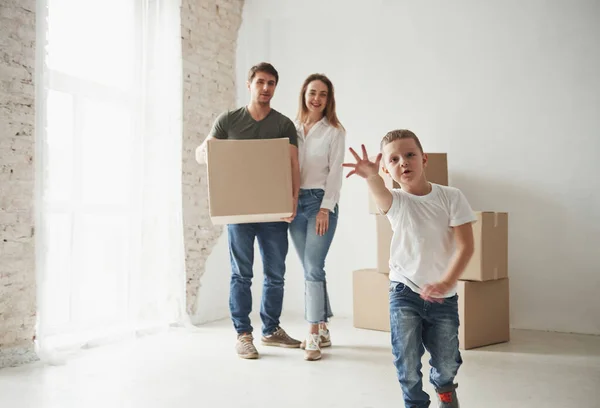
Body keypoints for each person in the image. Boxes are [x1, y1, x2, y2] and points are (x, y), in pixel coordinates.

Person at [342, 130, 476, 407]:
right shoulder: (395, 202)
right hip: (404, 291)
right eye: (394, 159)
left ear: (424, 159)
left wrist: (445, 283)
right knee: (407, 360)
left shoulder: (451, 197)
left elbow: (466, 247)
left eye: (410, 155)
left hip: (444, 297)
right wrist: (370, 176)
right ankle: (415, 404)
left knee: (447, 361)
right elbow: (379, 190)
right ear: (387, 169)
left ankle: (445, 389)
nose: (403, 162)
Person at [195, 62, 302, 359]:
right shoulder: (229, 121)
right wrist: (206, 151)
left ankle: (271, 330)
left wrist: (292, 201)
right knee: (241, 274)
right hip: (239, 213)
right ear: (249, 84)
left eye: (271, 83)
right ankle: (243, 334)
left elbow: (293, 165)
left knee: (276, 274)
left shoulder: (283, 125)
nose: (266, 88)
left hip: (274, 213)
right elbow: (204, 156)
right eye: (260, 82)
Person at [288, 74, 345, 361]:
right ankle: (323, 327)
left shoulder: (334, 131)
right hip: (294, 204)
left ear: (328, 99)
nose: (317, 98)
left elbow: (335, 173)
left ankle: (312, 333)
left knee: (313, 267)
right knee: (311, 267)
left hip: (320, 203)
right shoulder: (292, 128)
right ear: (304, 94)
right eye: (312, 92)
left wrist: (325, 208)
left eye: (323, 94)